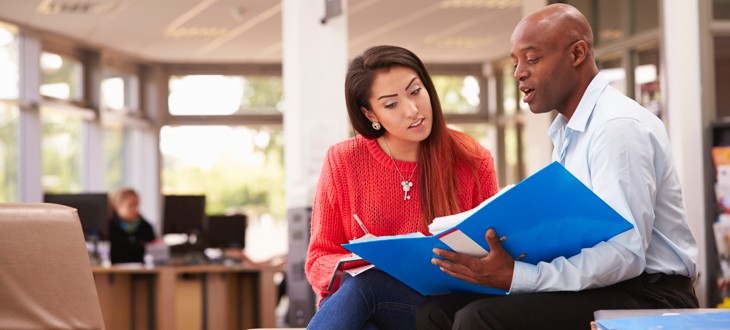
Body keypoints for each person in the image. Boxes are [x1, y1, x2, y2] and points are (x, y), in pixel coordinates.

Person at [416, 4, 699, 329]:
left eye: (532, 59)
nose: (519, 73)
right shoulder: (569, 132)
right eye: (515, 62)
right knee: (434, 312)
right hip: (607, 286)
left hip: (650, 295)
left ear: (578, 53)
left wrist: (520, 275)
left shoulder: (617, 127)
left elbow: (626, 254)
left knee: (478, 318)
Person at [305, 45, 499, 329]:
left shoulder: (471, 158)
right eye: (391, 104)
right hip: (366, 306)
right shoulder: (343, 160)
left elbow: (493, 252)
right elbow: (319, 258)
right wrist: (357, 262)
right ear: (370, 114)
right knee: (365, 293)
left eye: (415, 91)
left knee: (366, 287)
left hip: (444, 309)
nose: (412, 110)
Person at [108, 188, 156, 264]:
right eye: (130, 205)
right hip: (114, 272)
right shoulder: (108, 227)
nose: (135, 209)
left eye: (136, 205)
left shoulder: (146, 227)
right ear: (117, 207)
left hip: (142, 272)